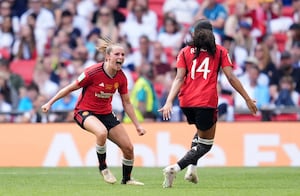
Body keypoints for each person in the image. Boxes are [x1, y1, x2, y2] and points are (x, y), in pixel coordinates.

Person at [158, 19, 257, 188]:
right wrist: (247, 98)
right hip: (206, 102)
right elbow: (231, 77)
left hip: (186, 102)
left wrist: (168, 102)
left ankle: (192, 170)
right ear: (212, 34)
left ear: (194, 34)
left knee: (200, 133)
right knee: (206, 146)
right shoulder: (219, 51)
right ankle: (176, 167)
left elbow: (179, 78)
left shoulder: (184, 52)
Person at [41, 37, 146, 185]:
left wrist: (137, 125)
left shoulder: (121, 77)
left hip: (106, 114)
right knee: (101, 132)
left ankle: (127, 179)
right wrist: (50, 103)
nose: (121, 58)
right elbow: (71, 87)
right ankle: (103, 168)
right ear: (108, 57)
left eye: (123, 55)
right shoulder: (93, 72)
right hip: (84, 112)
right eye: (117, 54)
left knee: (128, 148)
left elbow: (126, 102)